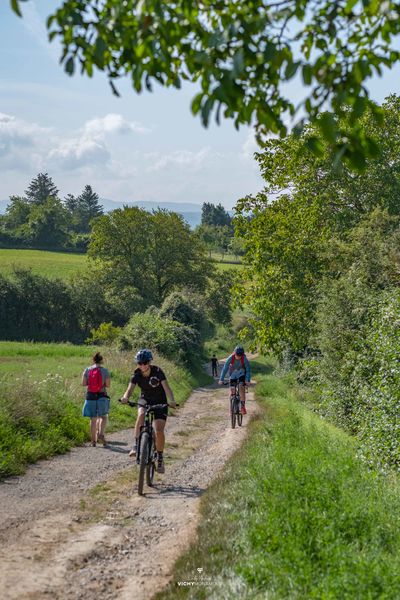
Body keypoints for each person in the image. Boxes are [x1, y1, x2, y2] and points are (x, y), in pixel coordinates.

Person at [120, 349, 176, 474]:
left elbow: (167, 388)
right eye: (140, 363)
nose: (142, 365)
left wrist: (171, 400)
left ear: (149, 362)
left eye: (145, 363)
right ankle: (136, 445)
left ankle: (160, 457)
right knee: (140, 414)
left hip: (160, 401)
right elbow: (129, 390)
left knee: (159, 431)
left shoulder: (158, 372)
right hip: (145, 400)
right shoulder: (137, 374)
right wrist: (125, 397)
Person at [82, 352, 111, 446]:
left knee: (93, 419)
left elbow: (83, 383)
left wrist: (91, 384)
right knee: (104, 416)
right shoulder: (105, 371)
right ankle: (101, 434)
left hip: (90, 395)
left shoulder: (87, 370)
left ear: (93, 360)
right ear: (101, 360)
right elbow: (108, 385)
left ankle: (93, 441)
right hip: (102, 395)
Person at [219, 345, 251, 414]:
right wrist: (221, 379)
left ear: (242, 355)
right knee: (232, 389)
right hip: (233, 374)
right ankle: (232, 407)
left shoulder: (244, 359)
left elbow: (248, 370)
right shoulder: (231, 358)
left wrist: (247, 380)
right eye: (237, 355)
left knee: (241, 386)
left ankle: (242, 407)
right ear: (234, 353)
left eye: (240, 356)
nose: (238, 357)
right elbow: (225, 368)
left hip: (241, 374)